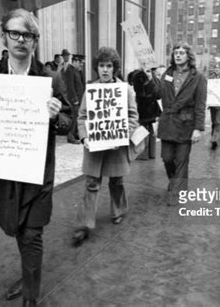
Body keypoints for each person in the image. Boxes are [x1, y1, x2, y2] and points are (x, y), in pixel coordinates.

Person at [0, 8, 63, 306]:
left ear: (35, 41)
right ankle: (27, 275)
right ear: (4, 37)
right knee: (16, 230)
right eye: (15, 33)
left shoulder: (50, 79)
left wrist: (56, 117)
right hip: (5, 173)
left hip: (38, 177)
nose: (21, 40)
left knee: (32, 235)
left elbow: (70, 124)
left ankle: (30, 297)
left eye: (28, 35)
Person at [72, 47, 139, 246]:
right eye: (101, 65)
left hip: (116, 148)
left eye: (109, 66)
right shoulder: (90, 89)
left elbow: (133, 116)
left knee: (116, 181)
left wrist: (122, 134)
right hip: (94, 147)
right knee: (91, 183)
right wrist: (84, 138)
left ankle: (118, 210)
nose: (105, 70)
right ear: (97, 68)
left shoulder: (124, 90)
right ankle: (83, 224)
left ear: (115, 68)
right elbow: (82, 116)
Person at [154, 41, 207, 206]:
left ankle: (177, 192)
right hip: (168, 122)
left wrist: (198, 128)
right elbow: (157, 94)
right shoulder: (167, 74)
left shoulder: (198, 78)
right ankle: (175, 181)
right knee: (167, 158)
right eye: (176, 52)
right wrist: (151, 79)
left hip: (186, 124)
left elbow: (200, 105)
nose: (178, 55)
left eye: (182, 52)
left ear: (188, 56)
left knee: (182, 160)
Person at [128, 69, 161, 160]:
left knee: (147, 132)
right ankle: (148, 154)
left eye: (149, 71)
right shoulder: (149, 81)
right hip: (148, 111)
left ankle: (147, 154)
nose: (147, 73)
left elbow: (156, 95)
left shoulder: (152, 82)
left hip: (148, 111)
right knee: (148, 132)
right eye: (146, 71)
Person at [60, 49, 83, 144]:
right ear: (75, 61)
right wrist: (74, 99)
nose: (81, 65)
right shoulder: (70, 70)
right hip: (74, 99)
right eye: (80, 63)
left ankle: (76, 133)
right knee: (74, 117)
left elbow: (80, 83)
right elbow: (70, 86)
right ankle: (71, 136)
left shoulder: (75, 70)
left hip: (79, 98)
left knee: (78, 117)